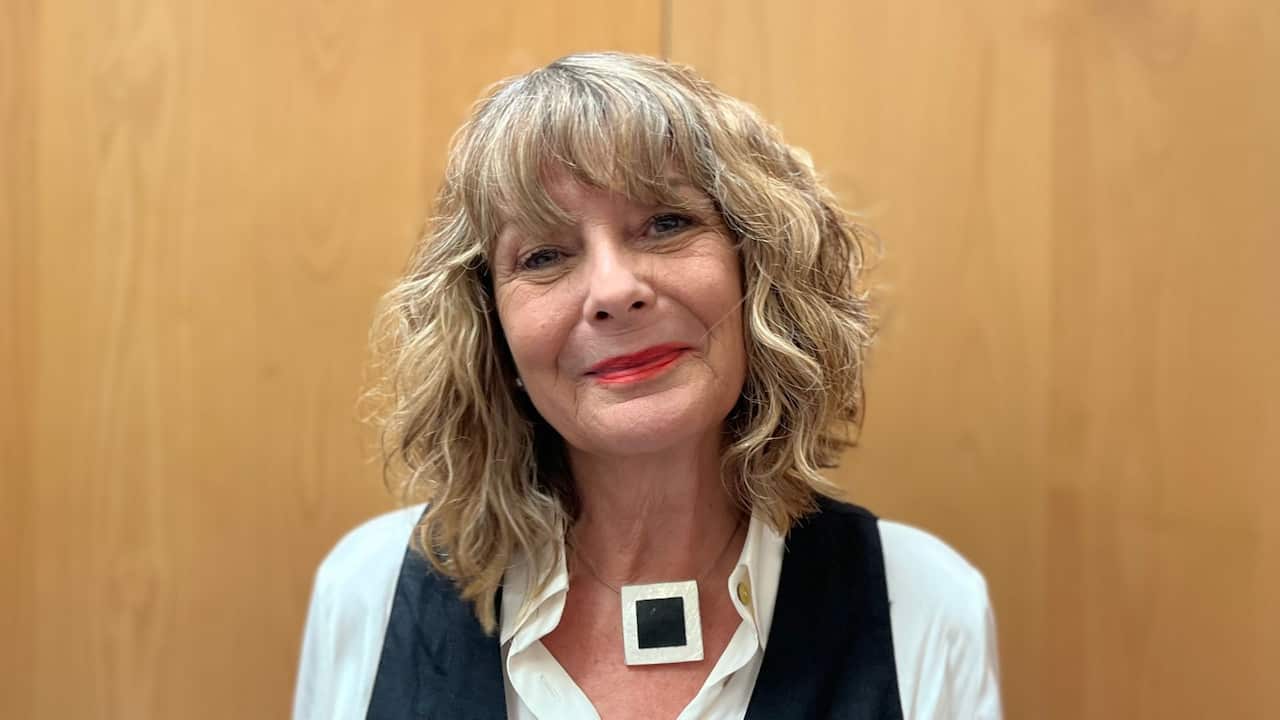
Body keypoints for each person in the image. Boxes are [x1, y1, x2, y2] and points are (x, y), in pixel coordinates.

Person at [292, 52, 1002, 719]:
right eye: (543, 255)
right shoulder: (370, 589)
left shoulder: (925, 602)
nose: (614, 290)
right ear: (492, 329)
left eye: (665, 223)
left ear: (759, 272)